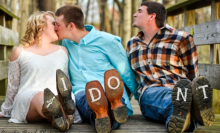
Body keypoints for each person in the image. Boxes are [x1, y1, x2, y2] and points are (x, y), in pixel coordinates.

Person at [126, 1, 215, 133]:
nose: (134, 14)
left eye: (139, 11)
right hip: (150, 93)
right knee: (172, 99)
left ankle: (185, 118)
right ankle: (191, 110)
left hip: (180, 87)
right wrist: (122, 105)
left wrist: (191, 90)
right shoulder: (132, 44)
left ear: (152, 16)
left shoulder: (182, 39)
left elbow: (193, 74)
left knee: (182, 98)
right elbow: (130, 78)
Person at [55, 5, 139, 133]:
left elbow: (125, 72)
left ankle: (109, 109)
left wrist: (141, 100)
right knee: (88, 100)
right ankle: (105, 114)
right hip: (82, 93)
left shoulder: (108, 41)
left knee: (106, 99)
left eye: (57, 25)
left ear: (71, 26)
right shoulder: (64, 44)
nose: (55, 28)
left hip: (110, 90)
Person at [0, 11, 81, 131]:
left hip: (58, 96)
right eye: (53, 23)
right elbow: (13, 86)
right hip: (29, 100)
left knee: (59, 97)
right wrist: (6, 110)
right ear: (41, 26)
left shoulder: (62, 51)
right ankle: (61, 112)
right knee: (44, 96)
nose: (57, 27)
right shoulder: (20, 52)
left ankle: (59, 117)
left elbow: (64, 81)